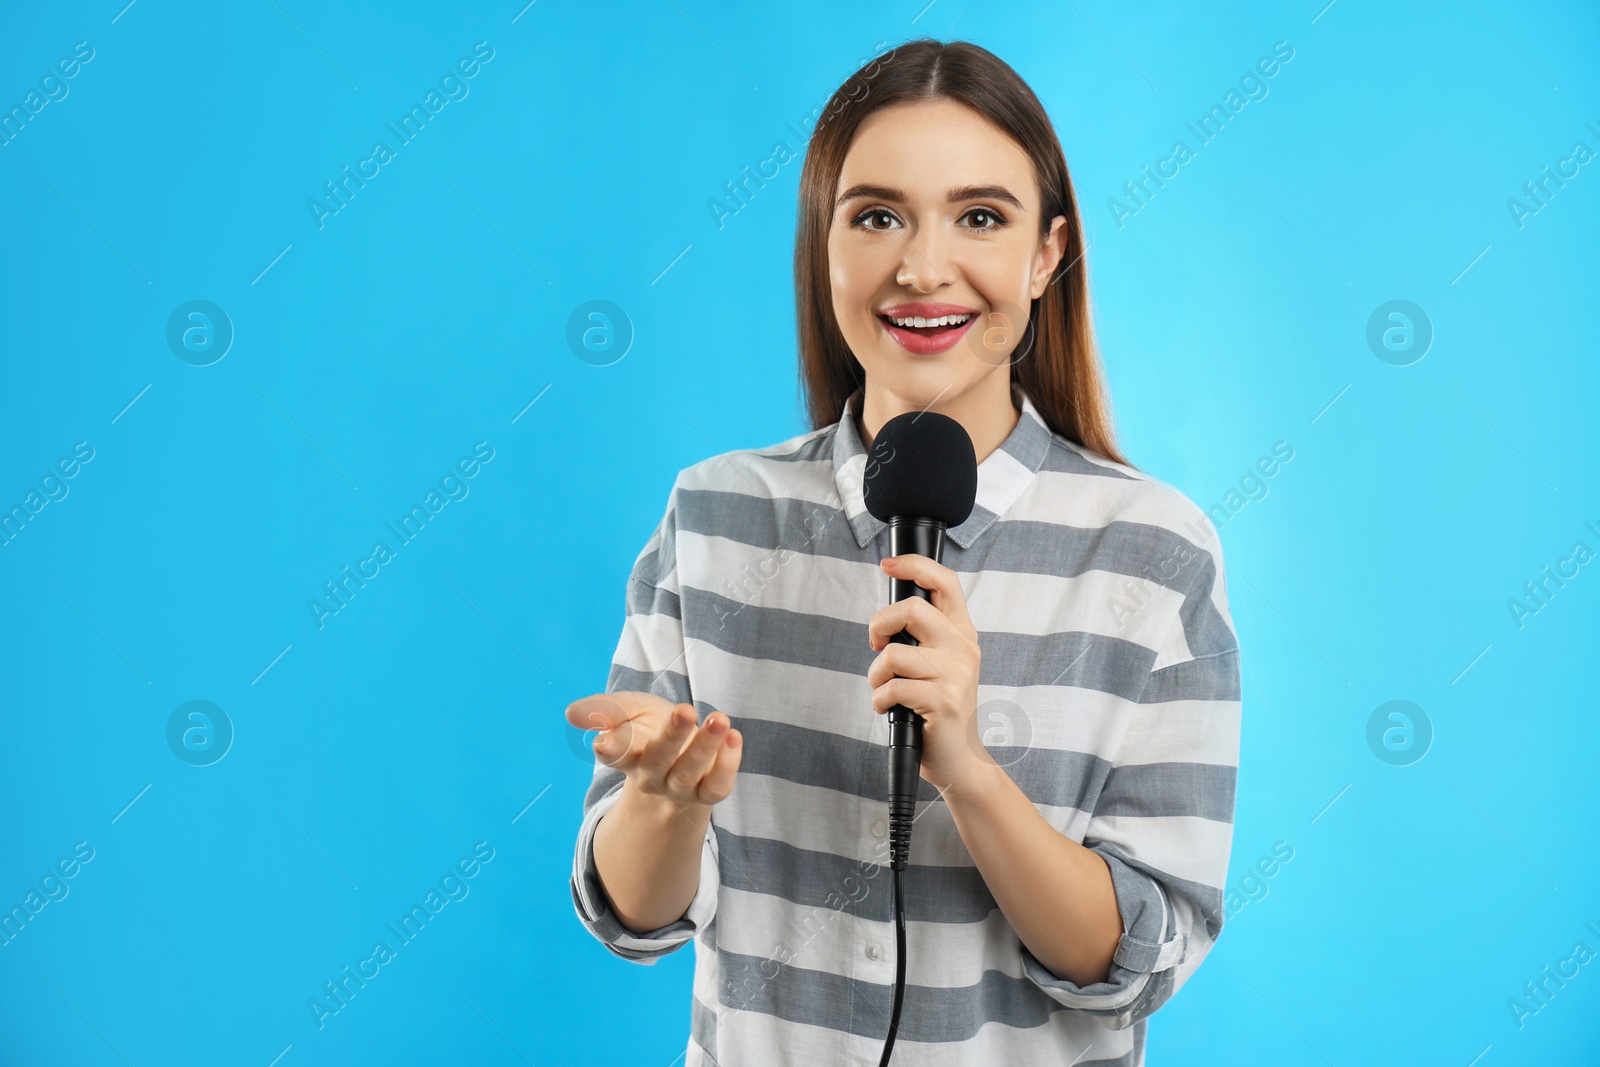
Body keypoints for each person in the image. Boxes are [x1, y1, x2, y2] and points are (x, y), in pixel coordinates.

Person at [567, 37, 1240, 1067]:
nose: (922, 267)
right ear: (821, 246)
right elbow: (631, 915)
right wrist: (662, 801)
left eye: (980, 216)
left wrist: (969, 771)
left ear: (1047, 253)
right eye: (876, 216)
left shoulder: (1155, 553)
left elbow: (1133, 963)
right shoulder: (714, 513)